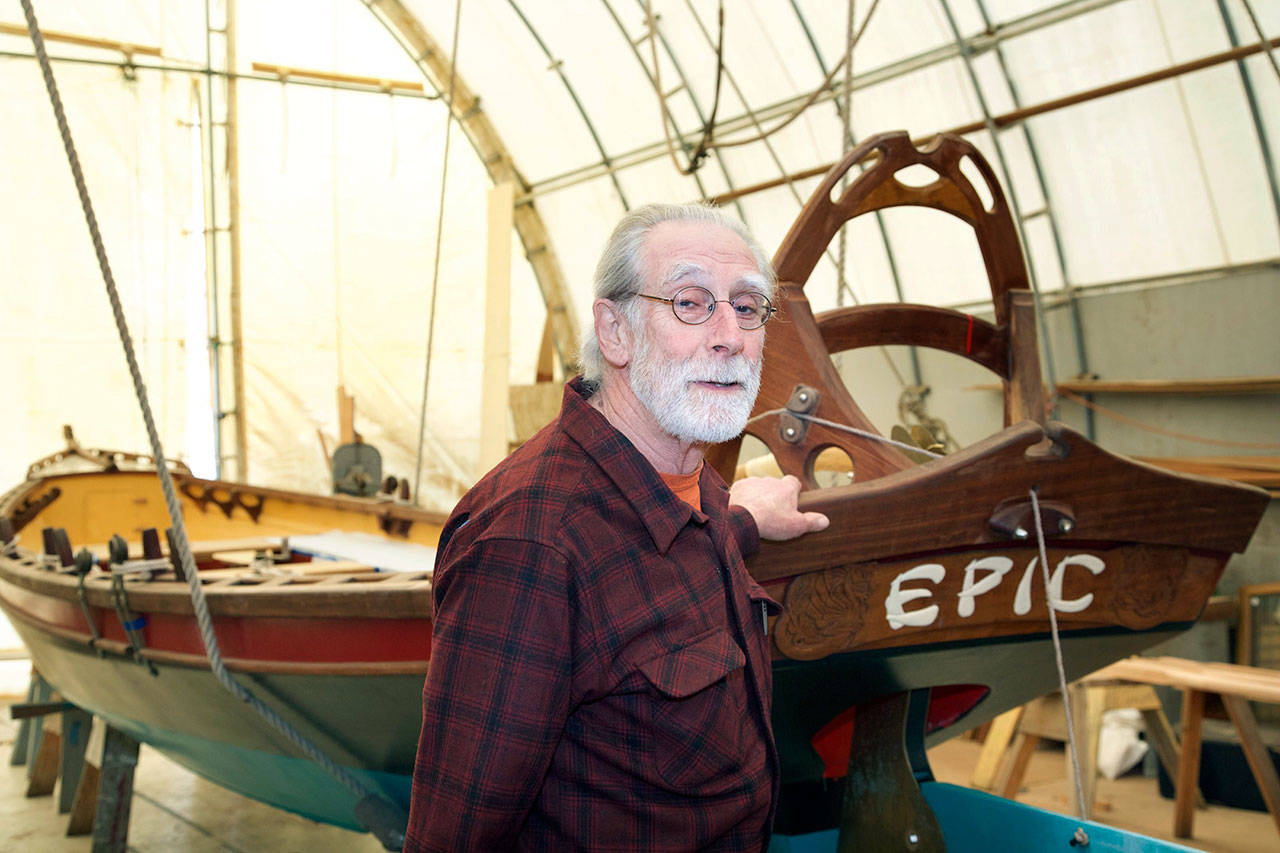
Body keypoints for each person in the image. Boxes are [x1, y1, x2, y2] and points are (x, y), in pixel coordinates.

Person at [405, 203, 829, 851]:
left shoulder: (690, 477)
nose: (729, 335)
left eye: (747, 308)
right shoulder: (529, 543)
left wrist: (746, 519)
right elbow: (454, 837)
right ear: (616, 331)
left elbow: (665, 569)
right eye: (691, 302)